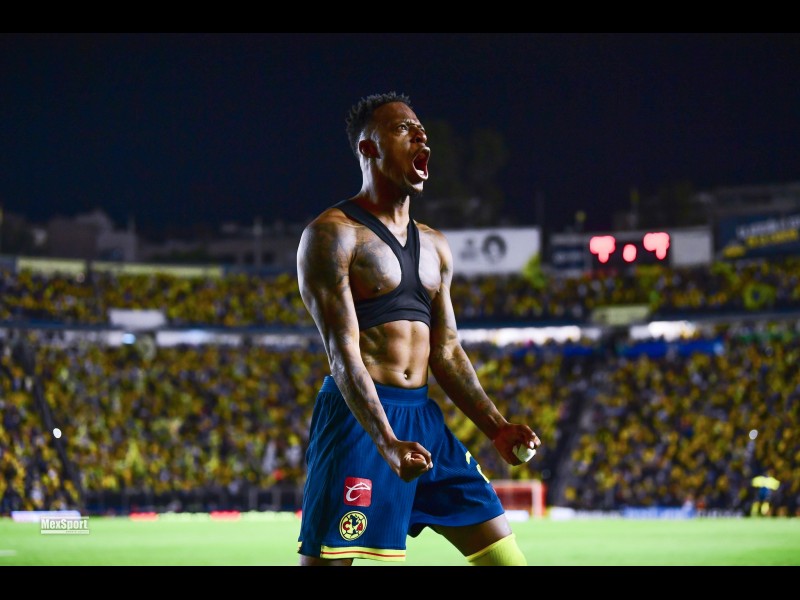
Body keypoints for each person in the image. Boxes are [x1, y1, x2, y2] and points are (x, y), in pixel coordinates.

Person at [295, 92, 540, 566]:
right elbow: (343, 352)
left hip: (424, 422)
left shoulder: (436, 246)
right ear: (368, 148)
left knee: (507, 561)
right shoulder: (332, 234)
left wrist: (496, 428)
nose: (420, 137)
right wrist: (386, 441)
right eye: (403, 129)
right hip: (360, 423)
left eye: (422, 131)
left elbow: (446, 351)